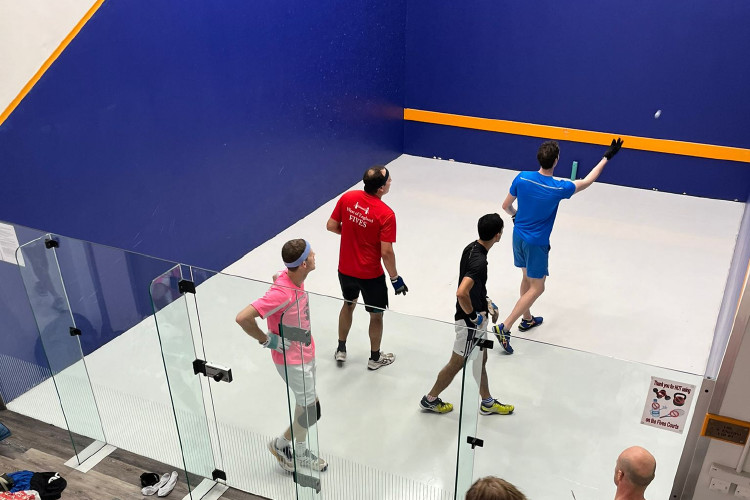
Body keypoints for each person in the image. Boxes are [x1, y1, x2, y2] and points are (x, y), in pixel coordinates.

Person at [493, 138, 624, 353]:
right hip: (537, 244)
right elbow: (588, 180)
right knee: (538, 287)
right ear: (556, 161)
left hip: (518, 237)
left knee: (526, 278)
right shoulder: (559, 188)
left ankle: (527, 319)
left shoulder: (522, 177)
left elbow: (506, 206)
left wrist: (516, 216)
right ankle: (505, 327)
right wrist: (606, 157)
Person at [235, 239, 328, 473]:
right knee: (312, 411)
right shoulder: (282, 294)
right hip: (293, 362)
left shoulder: (291, 277)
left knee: (304, 405)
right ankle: (281, 444)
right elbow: (243, 318)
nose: (315, 255)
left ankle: (300, 450)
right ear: (304, 264)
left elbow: (277, 276)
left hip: (306, 351)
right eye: (311, 254)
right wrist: (267, 340)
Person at [419, 214, 514, 416]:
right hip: (470, 325)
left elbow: (473, 287)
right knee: (457, 363)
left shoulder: (471, 248)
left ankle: (487, 402)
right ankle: (430, 399)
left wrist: (486, 301)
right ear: (498, 235)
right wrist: (474, 317)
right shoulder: (480, 262)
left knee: (481, 358)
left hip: (477, 319)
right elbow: (462, 292)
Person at [326, 165, 407, 370]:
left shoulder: (348, 198)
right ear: (381, 188)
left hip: (345, 270)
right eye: (388, 180)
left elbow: (331, 226)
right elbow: (386, 252)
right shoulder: (386, 214)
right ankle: (374, 358)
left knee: (348, 304)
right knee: (376, 315)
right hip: (371, 276)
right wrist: (395, 278)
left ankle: (341, 349)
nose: (391, 181)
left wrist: (352, 232)